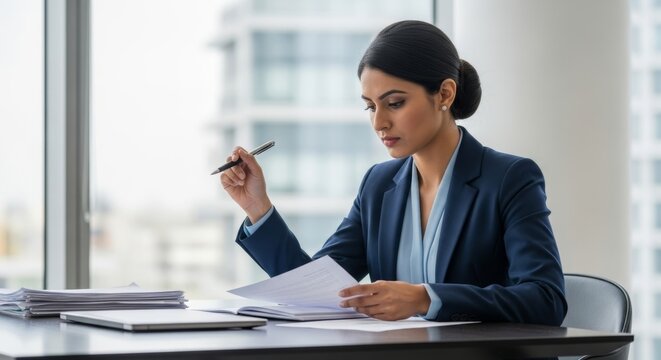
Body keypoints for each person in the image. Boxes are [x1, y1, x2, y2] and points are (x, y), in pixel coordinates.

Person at [219, 20, 567, 325]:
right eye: (370, 106)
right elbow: (313, 288)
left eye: (395, 103)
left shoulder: (509, 178)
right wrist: (257, 208)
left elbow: (544, 299)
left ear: (444, 94)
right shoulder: (379, 185)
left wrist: (426, 298)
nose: (379, 122)